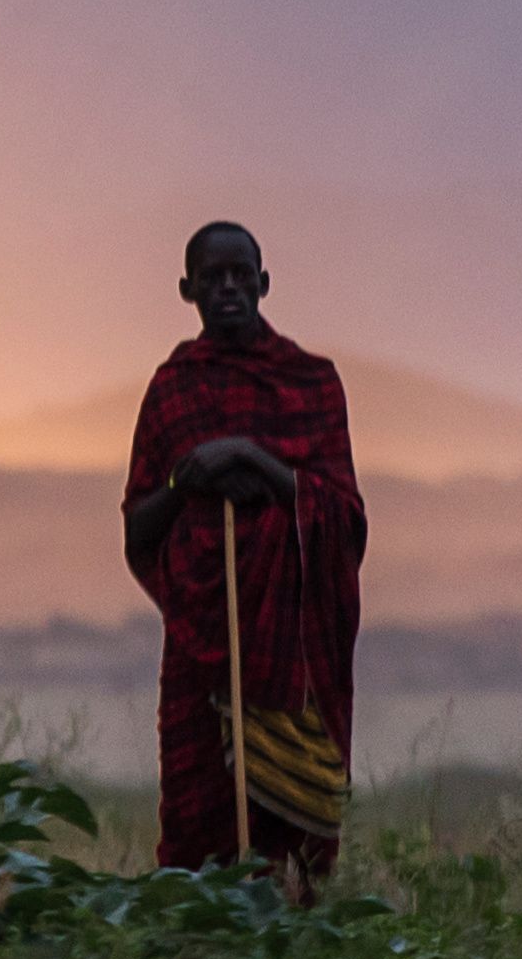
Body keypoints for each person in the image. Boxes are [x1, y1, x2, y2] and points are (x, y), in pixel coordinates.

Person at [122, 219, 366, 882]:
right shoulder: (173, 388)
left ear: (263, 283)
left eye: (239, 275)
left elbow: (344, 519)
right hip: (204, 648)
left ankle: (295, 946)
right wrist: (185, 480)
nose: (227, 288)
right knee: (201, 818)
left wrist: (254, 461)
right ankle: (208, 947)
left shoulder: (311, 382)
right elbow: (138, 531)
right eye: (211, 277)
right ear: (187, 289)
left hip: (293, 646)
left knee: (294, 835)